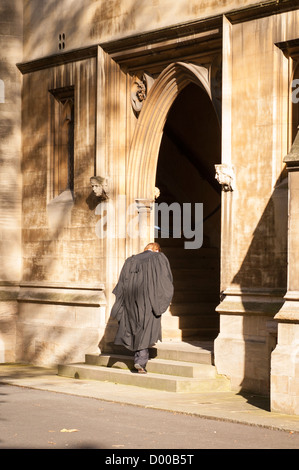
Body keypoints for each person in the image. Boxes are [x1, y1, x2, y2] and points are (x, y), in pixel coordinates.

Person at [110, 242, 174, 373]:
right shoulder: (159, 258)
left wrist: (122, 303)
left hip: (130, 301)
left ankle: (139, 359)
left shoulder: (131, 260)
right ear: (157, 250)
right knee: (146, 328)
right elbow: (165, 280)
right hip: (149, 301)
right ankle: (141, 361)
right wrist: (161, 300)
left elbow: (121, 284)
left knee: (136, 328)